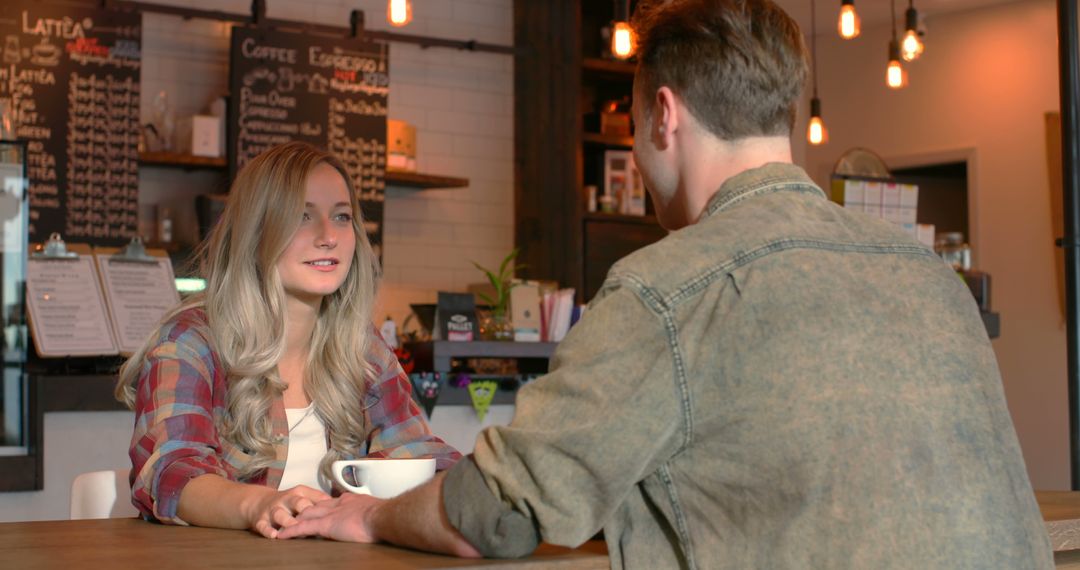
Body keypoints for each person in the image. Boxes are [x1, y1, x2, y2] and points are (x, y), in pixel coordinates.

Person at [278, 0, 1053, 567]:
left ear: (663, 116)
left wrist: (373, 519)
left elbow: (500, 514)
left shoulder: (669, 286)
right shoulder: (931, 277)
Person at [115, 141, 460, 538]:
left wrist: (495, 483)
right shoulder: (192, 342)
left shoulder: (361, 349)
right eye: (302, 216)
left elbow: (418, 455)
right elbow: (170, 473)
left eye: (342, 217)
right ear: (256, 231)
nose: (329, 236)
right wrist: (259, 505)